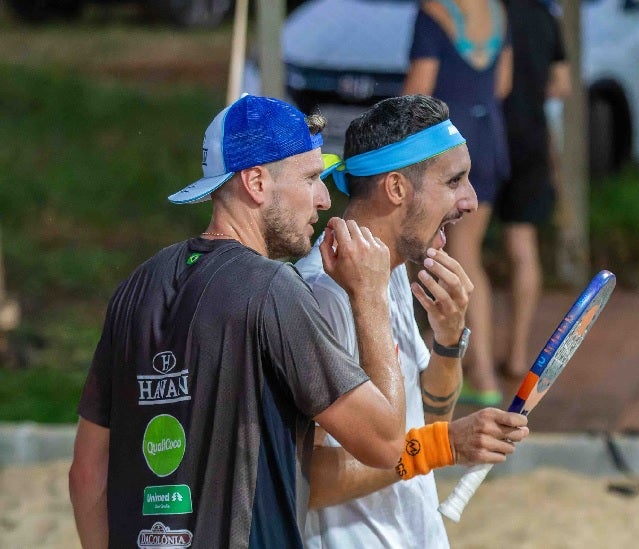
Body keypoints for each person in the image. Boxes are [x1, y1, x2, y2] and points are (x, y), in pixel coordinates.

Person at [68, 94, 407, 548]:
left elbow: (86, 473)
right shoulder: (272, 290)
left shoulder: (135, 288)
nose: (325, 199)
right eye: (310, 178)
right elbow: (385, 444)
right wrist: (371, 296)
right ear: (257, 182)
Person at [296, 94, 530, 547]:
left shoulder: (393, 269)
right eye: (454, 181)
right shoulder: (322, 296)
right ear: (397, 188)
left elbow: (427, 419)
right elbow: (307, 480)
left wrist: (448, 340)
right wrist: (445, 446)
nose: (471, 201)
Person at [403, 0, 513, 406]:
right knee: (469, 254)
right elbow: (502, 84)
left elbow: (418, 91)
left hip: (447, 146)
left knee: (456, 257)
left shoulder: (434, 13)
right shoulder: (497, 11)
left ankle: (478, 371)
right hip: (488, 137)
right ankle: (473, 368)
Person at [496, 0, 571, 379]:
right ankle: (517, 352)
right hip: (532, 137)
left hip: (487, 135)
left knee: (460, 246)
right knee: (523, 246)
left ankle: (464, 354)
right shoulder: (545, 14)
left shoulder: (486, 12)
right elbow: (562, 84)